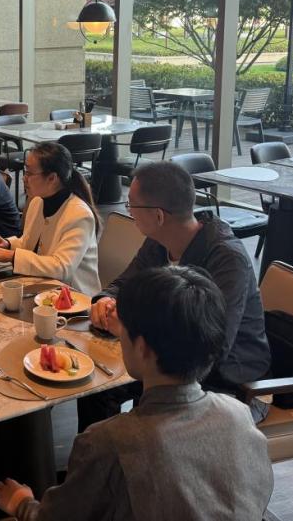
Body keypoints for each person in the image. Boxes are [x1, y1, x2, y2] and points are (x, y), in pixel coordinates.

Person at [0, 266, 274, 521]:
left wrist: (23, 504)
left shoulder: (107, 442)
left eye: (123, 328)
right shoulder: (239, 415)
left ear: (143, 347)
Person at [79, 161, 271, 428]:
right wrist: (105, 300)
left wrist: (132, 331)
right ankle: (105, 454)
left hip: (228, 381)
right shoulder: (159, 241)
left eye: (131, 205)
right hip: (170, 362)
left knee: (135, 399)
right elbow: (125, 283)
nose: (128, 210)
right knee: (95, 385)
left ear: (158, 216)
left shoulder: (227, 258)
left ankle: (134, 452)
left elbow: (213, 346)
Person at [0, 142, 102, 295]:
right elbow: (28, 243)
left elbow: (62, 267)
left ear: (52, 178)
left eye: (29, 173)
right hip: (43, 288)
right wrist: (8, 244)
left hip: (75, 297)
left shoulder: (79, 215)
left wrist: (11, 256)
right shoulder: (37, 201)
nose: (24, 178)